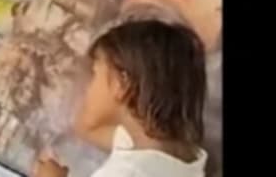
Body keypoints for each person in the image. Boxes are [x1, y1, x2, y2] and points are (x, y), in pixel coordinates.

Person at [34, 20, 208, 177]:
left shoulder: (125, 172)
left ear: (121, 84)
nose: (88, 87)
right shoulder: (186, 155)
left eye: (95, 74)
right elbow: (85, 127)